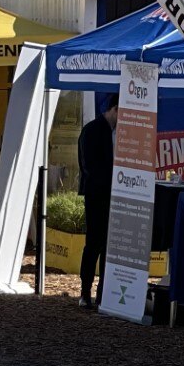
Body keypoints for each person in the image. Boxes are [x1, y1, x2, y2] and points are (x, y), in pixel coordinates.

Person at [77, 93, 117, 308]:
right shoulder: (92, 130)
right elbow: (89, 166)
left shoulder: (115, 132)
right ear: (115, 109)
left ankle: (103, 293)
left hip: (111, 195)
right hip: (97, 195)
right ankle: (85, 291)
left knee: (108, 245)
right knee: (94, 244)